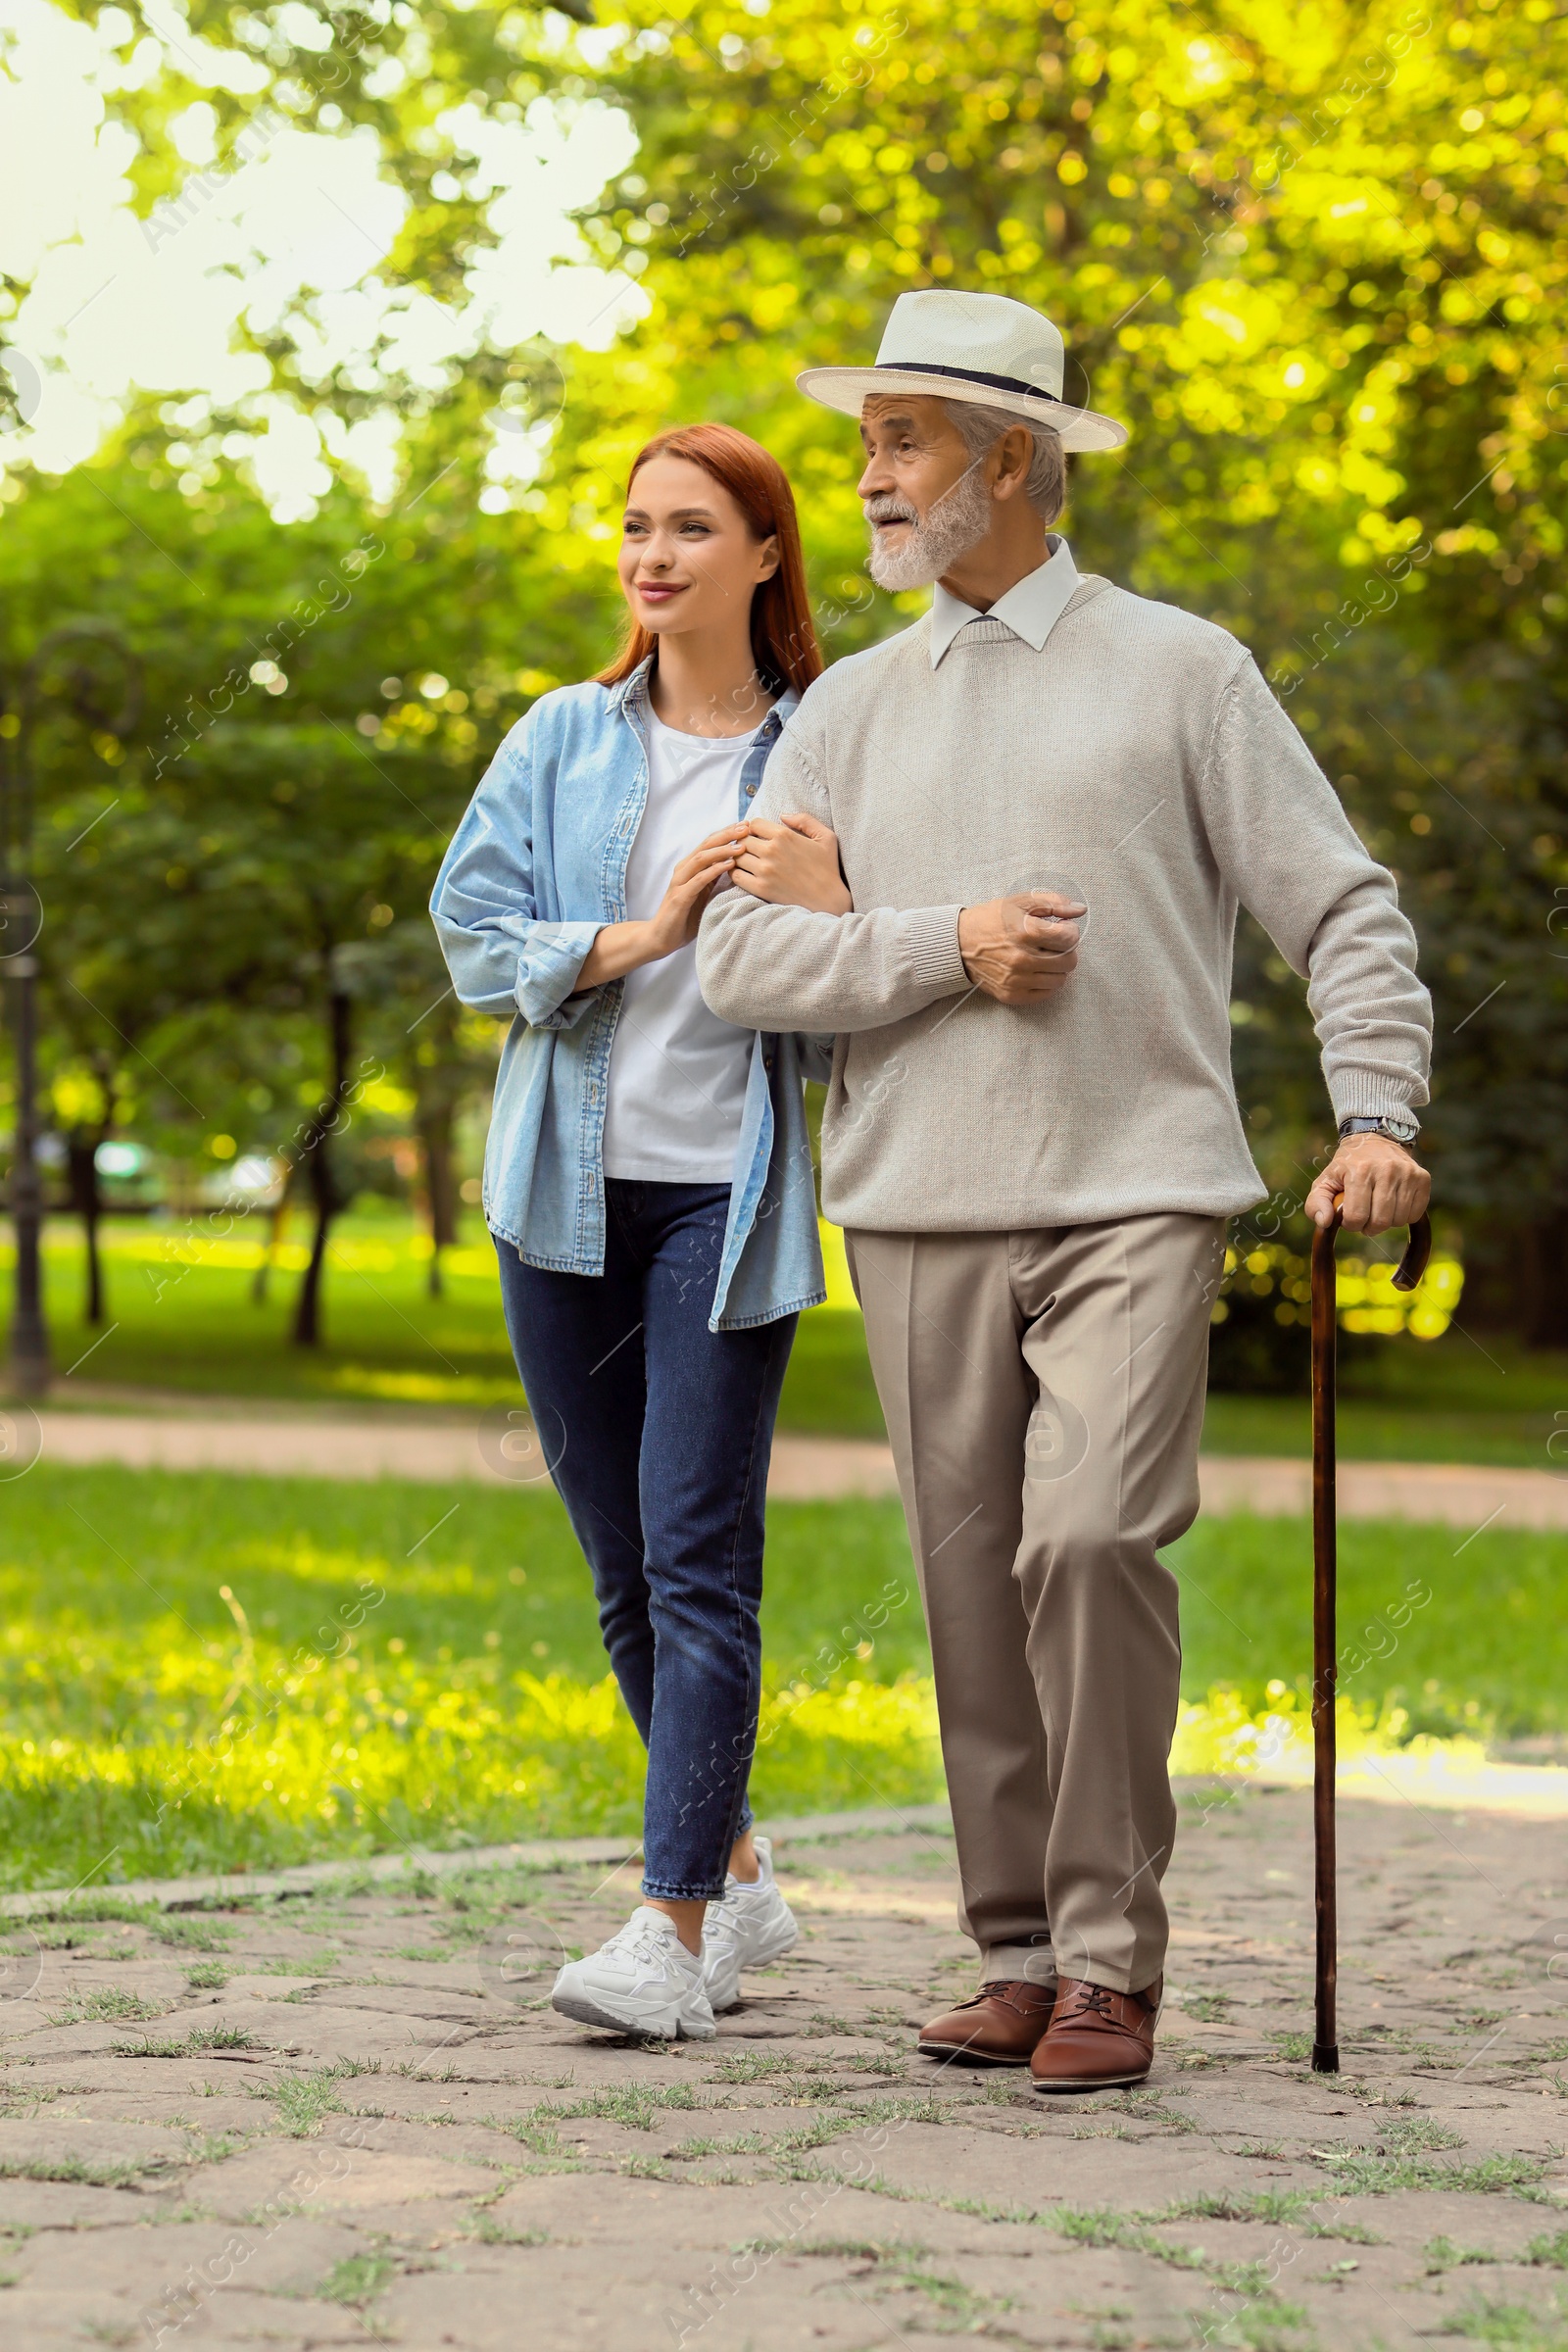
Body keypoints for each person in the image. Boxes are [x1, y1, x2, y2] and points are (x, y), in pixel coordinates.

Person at [699, 289, 1433, 2090]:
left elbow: (1340, 904)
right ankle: (1017, 1953)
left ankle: (1112, 1960)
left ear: (1010, 459)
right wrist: (941, 943)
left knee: (1090, 1542)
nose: (868, 478)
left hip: (1138, 1187)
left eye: (904, 441)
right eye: (867, 440)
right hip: (915, 1198)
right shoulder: (843, 713)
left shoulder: (1184, 671)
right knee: (970, 1597)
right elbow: (736, 963)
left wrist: (1375, 1110)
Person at [431, 422, 851, 2041]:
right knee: (621, 1570)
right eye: (634, 528)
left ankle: (671, 1933)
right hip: (560, 1197)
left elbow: (874, 955)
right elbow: (472, 937)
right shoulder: (560, 737)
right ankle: (734, 1867)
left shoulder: (829, 745)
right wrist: (642, 932)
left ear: (763, 553)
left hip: (724, 1207)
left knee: (698, 1558)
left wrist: (825, 904)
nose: (654, 555)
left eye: (692, 527)